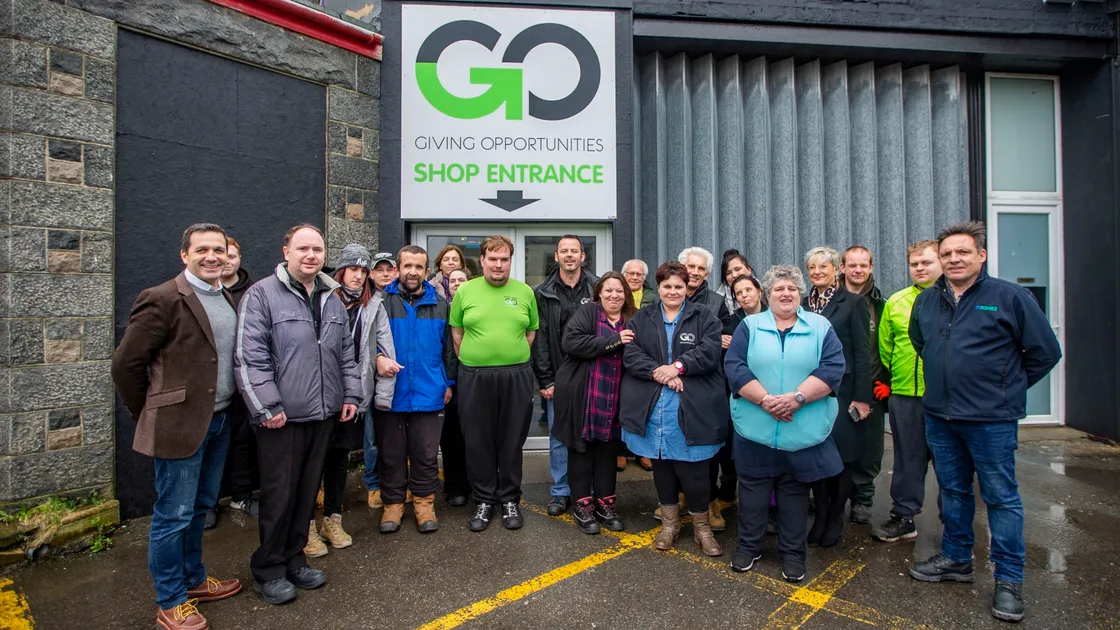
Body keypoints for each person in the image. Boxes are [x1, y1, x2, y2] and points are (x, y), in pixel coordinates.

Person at [908, 221, 1061, 623]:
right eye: (947, 254)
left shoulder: (1009, 297)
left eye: (962, 252)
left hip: (991, 420)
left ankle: (1009, 581)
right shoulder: (927, 302)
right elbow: (921, 343)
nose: (954, 259)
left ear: (982, 255)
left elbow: (1045, 351)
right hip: (941, 416)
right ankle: (957, 558)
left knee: (1000, 497)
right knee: (953, 491)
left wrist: (1005, 388)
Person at [112, 223, 243, 630]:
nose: (212, 257)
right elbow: (125, 366)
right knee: (173, 515)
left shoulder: (223, 296)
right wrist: (150, 412)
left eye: (218, 250)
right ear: (184, 254)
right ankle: (170, 600)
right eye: (202, 249)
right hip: (178, 426)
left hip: (220, 420)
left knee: (202, 508)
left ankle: (194, 579)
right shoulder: (163, 298)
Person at [234, 224, 362, 605]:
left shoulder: (332, 298)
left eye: (318, 249)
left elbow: (346, 355)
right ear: (286, 251)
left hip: (323, 414)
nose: (311, 255)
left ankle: (294, 560)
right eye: (303, 248)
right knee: (279, 495)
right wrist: (267, 406)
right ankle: (268, 569)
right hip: (282, 417)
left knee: (307, 494)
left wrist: (351, 394)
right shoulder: (261, 295)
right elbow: (249, 357)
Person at [724, 264, 846, 583]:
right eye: (779, 288)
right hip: (755, 428)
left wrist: (796, 398)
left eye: (792, 287)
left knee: (793, 496)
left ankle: (793, 554)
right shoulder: (749, 326)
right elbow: (735, 368)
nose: (786, 293)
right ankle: (749, 547)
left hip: (800, 430)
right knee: (752, 494)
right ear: (768, 294)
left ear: (800, 293)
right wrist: (766, 400)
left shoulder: (820, 326)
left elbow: (833, 369)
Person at [620, 261, 729, 556]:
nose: (672, 291)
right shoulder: (643, 317)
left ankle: (702, 529)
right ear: (659, 288)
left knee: (694, 472)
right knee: (663, 469)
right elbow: (631, 353)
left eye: (678, 286)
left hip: (692, 405)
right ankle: (669, 526)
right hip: (656, 405)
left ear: (687, 288)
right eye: (667, 286)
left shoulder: (704, 316)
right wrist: (661, 372)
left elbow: (709, 351)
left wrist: (679, 366)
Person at [303, 244, 396, 558]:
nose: (358, 276)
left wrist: (378, 391)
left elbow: (385, 349)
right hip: (318, 393)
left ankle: (332, 519)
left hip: (353, 395)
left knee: (338, 459)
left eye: (363, 270)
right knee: (311, 462)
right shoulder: (321, 299)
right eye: (352, 269)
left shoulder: (374, 305)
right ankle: (306, 527)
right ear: (340, 270)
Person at [450, 235, 539, 532]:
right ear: (483, 261)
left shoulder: (525, 292)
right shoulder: (466, 292)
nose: (498, 264)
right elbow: (457, 334)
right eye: (493, 259)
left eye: (504, 259)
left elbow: (530, 333)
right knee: (478, 440)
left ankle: (510, 498)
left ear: (510, 262)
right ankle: (485, 500)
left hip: (516, 375)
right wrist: (479, 359)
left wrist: (509, 357)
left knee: (512, 439)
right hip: (475, 376)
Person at [376, 245, 458, 534]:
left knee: (425, 454)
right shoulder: (381, 302)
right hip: (391, 393)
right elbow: (369, 344)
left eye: (419, 267)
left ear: (427, 271)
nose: (413, 271)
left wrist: (448, 383)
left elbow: (449, 349)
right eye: (407, 265)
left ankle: (424, 503)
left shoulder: (440, 304)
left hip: (429, 391)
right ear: (398, 269)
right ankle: (393, 505)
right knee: (391, 454)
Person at [551, 272, 636, 534]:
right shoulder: (588, 313)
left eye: (619, 291)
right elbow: (571, 342)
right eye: (608, 290)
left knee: (608, 453)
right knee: (581, 450)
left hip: (616, 396)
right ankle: (582, 505)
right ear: (599, 293)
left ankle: (605, 504)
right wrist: (614, 340)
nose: (614, 295)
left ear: (626, 295)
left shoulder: (632, 319)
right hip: (584, 394)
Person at [871, 240, 942, 544]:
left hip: (945, 396)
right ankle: (903, 517)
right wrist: (897, 379)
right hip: (904, 394)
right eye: (915, 264)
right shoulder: (896, 302)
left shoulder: (954, 299)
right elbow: (885, 347)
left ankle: (953, 523)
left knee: (949, 463)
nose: (920, 268)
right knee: (906, 459)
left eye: (927, 262)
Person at [802, 246, 871, 548]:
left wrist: (862, 397)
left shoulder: (852, 303)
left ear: (837, 269)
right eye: (812, 268)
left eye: (823, 267)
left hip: (844, 391)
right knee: (817, 452)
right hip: (812, 388)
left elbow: (861, 351)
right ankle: (820, 516)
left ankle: (835, 519)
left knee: (841, 456)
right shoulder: (804, 304)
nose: (817, 272)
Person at [532, 235, 598, 517]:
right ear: (556, 256)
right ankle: (561, 491)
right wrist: (546, 379)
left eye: (575, 251)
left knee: (591, 434)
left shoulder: (597, 287)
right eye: (564, 251)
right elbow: (541, 339)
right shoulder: (543, 292)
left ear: (583, 256)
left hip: (594, 375)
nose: (569, 255)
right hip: (560, 375)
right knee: (559, 436)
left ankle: (590, 491)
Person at [839, 246, 889, 525]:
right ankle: (835, 495)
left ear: (871, 268)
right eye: (852, 265)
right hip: (838, 387)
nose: (857, 270)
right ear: (842, 268)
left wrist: (889, 382)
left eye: (863, 265)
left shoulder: (881, 305)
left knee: (869, 448)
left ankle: (863, 498)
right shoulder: (832, 300)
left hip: (872, 386)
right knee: (837, 442)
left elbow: (895, 346)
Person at [213, 236, 258, 526]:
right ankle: (208, 503)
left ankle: (242, 495)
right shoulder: (203, 293)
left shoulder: (253, 293)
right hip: (213, 386)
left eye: (232, 255)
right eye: (222, 254)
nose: (227, 261)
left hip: (247, 383)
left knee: (244, 441)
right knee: (210, 446)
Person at [619, 259, 656, 473]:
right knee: (621, 405)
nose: (634, 277)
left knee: (644, 405)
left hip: (645, 355)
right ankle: (621, 451)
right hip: (619, 354)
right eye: (631, 274)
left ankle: (643, 451)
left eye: (639, 274)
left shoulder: (653, 298)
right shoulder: (618, 295)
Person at [440, 267, 473, 506]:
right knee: (451, 439)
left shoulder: (475, 307)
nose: (457, 283)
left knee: (474, 437)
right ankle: (455, 489)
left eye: (462, 279)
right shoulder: (441, 309)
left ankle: (477, 485)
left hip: (473, 380)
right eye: (453, 280)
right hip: (450, 382)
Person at [718, 249, 754, 315]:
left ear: (749, 270)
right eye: (728, 273)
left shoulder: (765, 293)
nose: (734, 275)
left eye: (737, 269)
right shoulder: (718, 302)